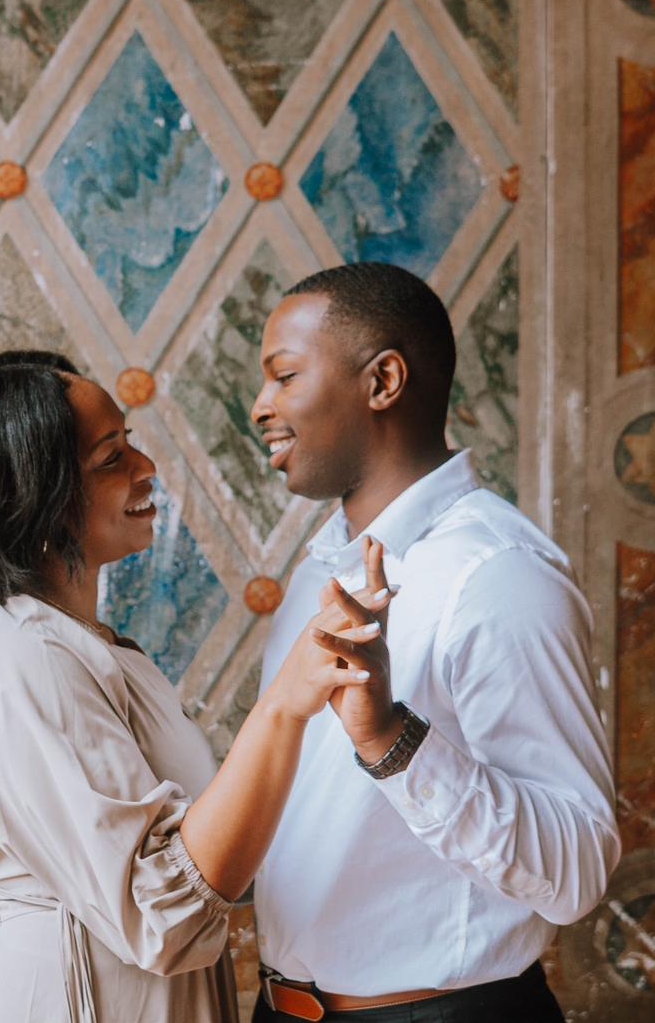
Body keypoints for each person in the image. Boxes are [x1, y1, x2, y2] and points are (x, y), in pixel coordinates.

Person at [0, 357, 381, 1022]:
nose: (147, 467)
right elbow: (164, 918)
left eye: (130, 442)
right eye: (111, 457)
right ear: (36, 497)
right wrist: (285, 706)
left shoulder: (83, 645)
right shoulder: (18, 654)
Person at [249, 263, 620, 1022]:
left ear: (383, 380)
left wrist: (391, 739)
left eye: (284, 376)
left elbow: (579, 867)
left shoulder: (498, 574)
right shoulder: (313, 582)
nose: (260, 408)